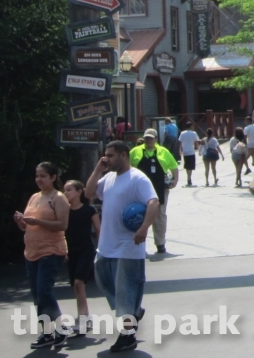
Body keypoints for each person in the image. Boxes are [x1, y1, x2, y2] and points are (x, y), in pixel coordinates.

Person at [85, 141, 159, 353]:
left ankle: (128, 336)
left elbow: (153, 202)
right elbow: (89, 192)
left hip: (128, 247)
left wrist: (144, 228)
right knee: (103, 281)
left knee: (125, 292)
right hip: (107, 245)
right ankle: (134, 311)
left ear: (124, 155)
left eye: (110, 155)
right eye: (104, 155)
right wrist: (98, 169)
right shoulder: (108, 177)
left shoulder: (138, 178)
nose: (106, 158)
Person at [13, 161, 69, 349]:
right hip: (32, 251)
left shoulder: (58, 198)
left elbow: (62, 225)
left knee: (44, 290)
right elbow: (28, 226)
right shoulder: (34, 197)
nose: (39, 179)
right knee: (38, 295)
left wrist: (37, 220)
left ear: (53, 178)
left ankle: (61, 327)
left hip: (51, 250)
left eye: (43, 176)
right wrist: (22, 221)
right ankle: (47, 333)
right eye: (37, 176)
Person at [129, 128, 179, 254]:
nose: (148, 140)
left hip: (159, 188)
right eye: (146, 138)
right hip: (139, 189)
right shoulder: (135, 151)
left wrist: (175, 181)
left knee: (160, 216)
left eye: (151, 138)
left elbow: (173, 167)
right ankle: (139, 244)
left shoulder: (163, 152)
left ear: (156, 139)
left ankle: (160, 244)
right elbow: (126, 167)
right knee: (139, 216)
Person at [63, 179, 101, 337]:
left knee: (79, 282)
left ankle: (82, 319)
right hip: (71, 251)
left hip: (86, 250)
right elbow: (60, 231)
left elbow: (99, 230)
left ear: (79, 192)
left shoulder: (89, 210)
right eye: (64, 190)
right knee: (76, 286)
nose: (66, 193)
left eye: (69, 190)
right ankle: (86, 317)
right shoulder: (64, 211)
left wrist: (101, 249)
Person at [177, 121, 200, 187]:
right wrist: (198, 149)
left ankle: (188, 178)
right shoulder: (194, 133)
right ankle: (189, 178)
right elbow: (196, 142)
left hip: (185, 152)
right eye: (192, 126)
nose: (193, 127)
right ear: (190, 126)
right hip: (191, 151)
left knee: (187, 166)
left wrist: (179, 150)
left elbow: (179, 142)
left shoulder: (182, 133)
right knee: (191, 166)